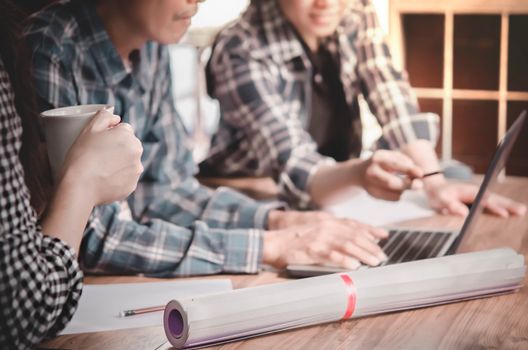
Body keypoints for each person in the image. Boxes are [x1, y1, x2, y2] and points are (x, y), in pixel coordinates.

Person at [24, 0, 390, 276]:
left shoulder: (152, 48)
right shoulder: (49, 51)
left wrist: (280, 222)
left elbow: (165, 192)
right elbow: (95, 240)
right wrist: (269, 246)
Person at [203, 0, 526, 217]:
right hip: (257, 194)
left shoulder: (354, 10)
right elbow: (296, 167)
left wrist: (434, 181)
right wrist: (359, 173)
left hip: (338, 187)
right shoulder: (240, 48)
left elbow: (388, 91)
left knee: (454, 174)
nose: (326, 3)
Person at [0, 1, 143, 348]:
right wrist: (82, 180)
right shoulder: (48, 45)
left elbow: (171, 187)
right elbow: (21, 311)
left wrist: (270, 226)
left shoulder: (153, 53)